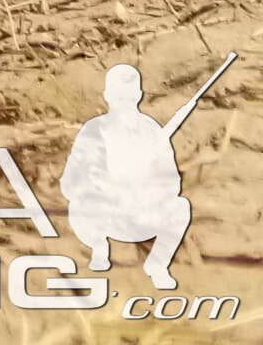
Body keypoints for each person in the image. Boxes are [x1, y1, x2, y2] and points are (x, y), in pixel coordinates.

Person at [62, 65, 194, 291]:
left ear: (139, 95)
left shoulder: (152, 130)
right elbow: (70, 181)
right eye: (119, 97)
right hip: (101, 215)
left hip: (140, 214)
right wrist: (99, 188)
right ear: (107, 96)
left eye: (130, 97)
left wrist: (146, 191)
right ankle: (99, 248)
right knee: (82, 204)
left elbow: (171, 182)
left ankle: (158, 266)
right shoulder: (93, 130)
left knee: (180, 207)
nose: (125, 102)